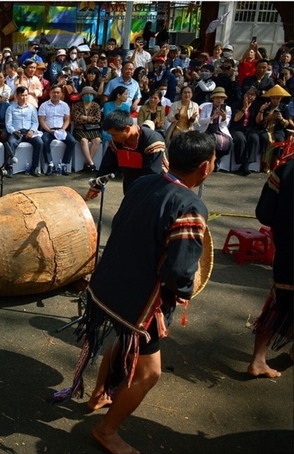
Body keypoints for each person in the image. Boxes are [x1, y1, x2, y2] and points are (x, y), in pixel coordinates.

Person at [57, 131, 215, 454]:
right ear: (205, 167)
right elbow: (179, 272)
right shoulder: (190, 206)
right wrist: (184, 290)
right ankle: (106, 430)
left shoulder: (144, 182)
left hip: (106, 285)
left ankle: (99, 394)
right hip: (140, 302)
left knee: (122, 341)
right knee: (149, 373)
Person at [248, 156, 294, 377]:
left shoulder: (285, 170)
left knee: (280, 302)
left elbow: (264, 213)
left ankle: (258, 359)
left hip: (288, 251)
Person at [86, 110, 166, 198]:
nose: (113, 138)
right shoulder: (116, 142)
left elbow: (152, 174)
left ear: (127, 129)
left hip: (155, 187)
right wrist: (96, 187)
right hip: (130, 184)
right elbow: (107, 166)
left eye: (114, 135)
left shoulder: (152, 141)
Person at [4, 86, 44, 177]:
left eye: (26, 95)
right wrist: (13, 131)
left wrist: (32, 131)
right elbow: (8, 124)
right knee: (11, 142)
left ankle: (34, 168)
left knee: (39, 142)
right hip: (16, 132)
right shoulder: (11, 108)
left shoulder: (32, 108)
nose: (24, 98)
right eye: (22, 95)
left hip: (28, 132)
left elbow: (35, 122)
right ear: (17, 95)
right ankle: (9, 167)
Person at [38, 84, 77, 175]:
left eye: (58, 92)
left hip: (61, 129)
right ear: (50, 93)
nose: (56, 94)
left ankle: (64, 164)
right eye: (54, 92)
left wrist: (62, 129)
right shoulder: (44, 105)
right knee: (44, 141)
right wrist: (49, 130)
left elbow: (67, 119)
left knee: (72, 141)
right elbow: (42, 120)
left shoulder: (65, 105)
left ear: (61, 94)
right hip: (48, 130)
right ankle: (50, 164)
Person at [256, 85, 293, 171]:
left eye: (277, 98)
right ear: (270, 98)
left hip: (277, 129)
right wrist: (267, 117)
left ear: (281, 98)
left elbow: (287, 123)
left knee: (279, 139)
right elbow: (258, 122)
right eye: (273, 98)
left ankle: (275, 163)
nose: (275, 100)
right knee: (265, 138)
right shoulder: (266, 106)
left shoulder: (284, 108)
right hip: (265, 129)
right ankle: (264, 164)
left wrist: (281, 119)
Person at [196, 87, 233, 166]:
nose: (219, 100)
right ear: (213, 98)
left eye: (221, 98)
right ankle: (209, 160)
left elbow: (225, 125)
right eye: (217, 98)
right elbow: (200, 121)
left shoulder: (228, 109)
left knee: (228, 142)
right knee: (212, 140)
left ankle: (216, 159)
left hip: (220, 130)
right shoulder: (206, 107)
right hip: (208, 129)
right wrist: (211, 118)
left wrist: (224, 117)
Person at [230, 87, 260, 176]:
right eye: (248, 93)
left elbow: (258, 122)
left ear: (255, 97)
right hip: (237, 128)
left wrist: (261, 111)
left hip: (250, 129)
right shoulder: (237, 104)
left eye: (252, 95)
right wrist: (244, 108)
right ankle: (242, 163)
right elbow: (235, 119)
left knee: (254, 138)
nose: (249, 96)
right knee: (241, 139)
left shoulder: (256, 106)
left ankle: (246, 164)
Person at [72, 86, 102, 173]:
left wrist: (85, 118)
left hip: (93, 129)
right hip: (80, 129)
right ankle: (91, 163)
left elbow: (97, 119)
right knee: (83, 140)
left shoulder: (96, 106)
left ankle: (87, 162)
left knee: (97, 140)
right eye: (86, 94)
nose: (88, 96)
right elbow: (77, 119)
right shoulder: (77, 105)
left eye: (90, 94)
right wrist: (90, 119)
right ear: (82, 96)